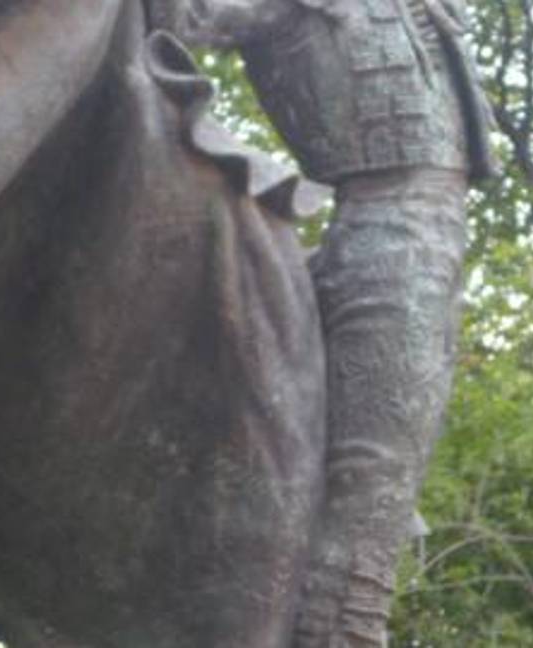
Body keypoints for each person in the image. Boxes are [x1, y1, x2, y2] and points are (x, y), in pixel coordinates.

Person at [152, 1, 498, 644]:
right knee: (365, 524)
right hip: (396, 238)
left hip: (413, 236)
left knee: (352, 508)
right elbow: (182, 18)